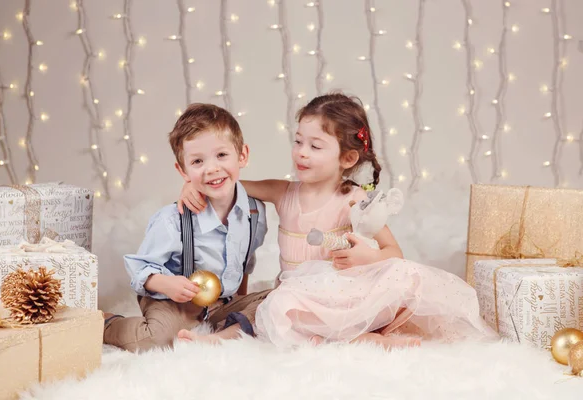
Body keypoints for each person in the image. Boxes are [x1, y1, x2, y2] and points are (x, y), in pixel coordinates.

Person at [179, 93, 498, 348]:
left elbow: (393, 252)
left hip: (342, 291)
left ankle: (357, 336)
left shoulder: (353, 199)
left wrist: (368, 256)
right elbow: (226, 185)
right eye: (298, 141)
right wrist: (191, 184)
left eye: (315, 146)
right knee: (275, 309)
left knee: (403, 277)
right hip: (300, 295)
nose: (301, 152)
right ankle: (220, 341)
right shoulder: (282, 192)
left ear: (347, 158)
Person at [103, 103, 270, 352]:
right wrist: (165, 284)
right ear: (183, 170)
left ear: (242, 155)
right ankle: (107, 323)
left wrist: (239, 299)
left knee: (279, 301)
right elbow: (140, 268)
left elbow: (246, 260)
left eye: (222, 155)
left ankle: (224, 332)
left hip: (220, 300)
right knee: (159, 340)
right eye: (198, 161)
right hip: (175, 301)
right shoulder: (173, 219)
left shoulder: (254, 212)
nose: (212, 168)